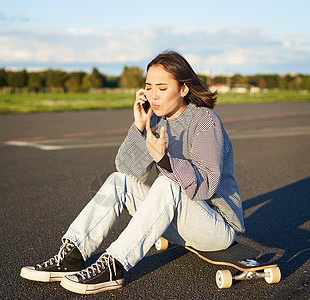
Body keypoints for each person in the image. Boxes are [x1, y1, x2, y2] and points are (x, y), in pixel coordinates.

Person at [20, 50, 245, 295]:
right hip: (179, 219)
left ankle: (114, 265)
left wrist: (164, 160)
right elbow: (127, 171)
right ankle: (72, 256)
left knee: (166, 184)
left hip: (216, 226)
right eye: (149, 87)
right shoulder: (157, 120)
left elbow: (206, 186)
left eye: (162, 87)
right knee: (119, 181)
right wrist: (139, 127)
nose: (153, 95)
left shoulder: (204, 121)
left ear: (183, 89)